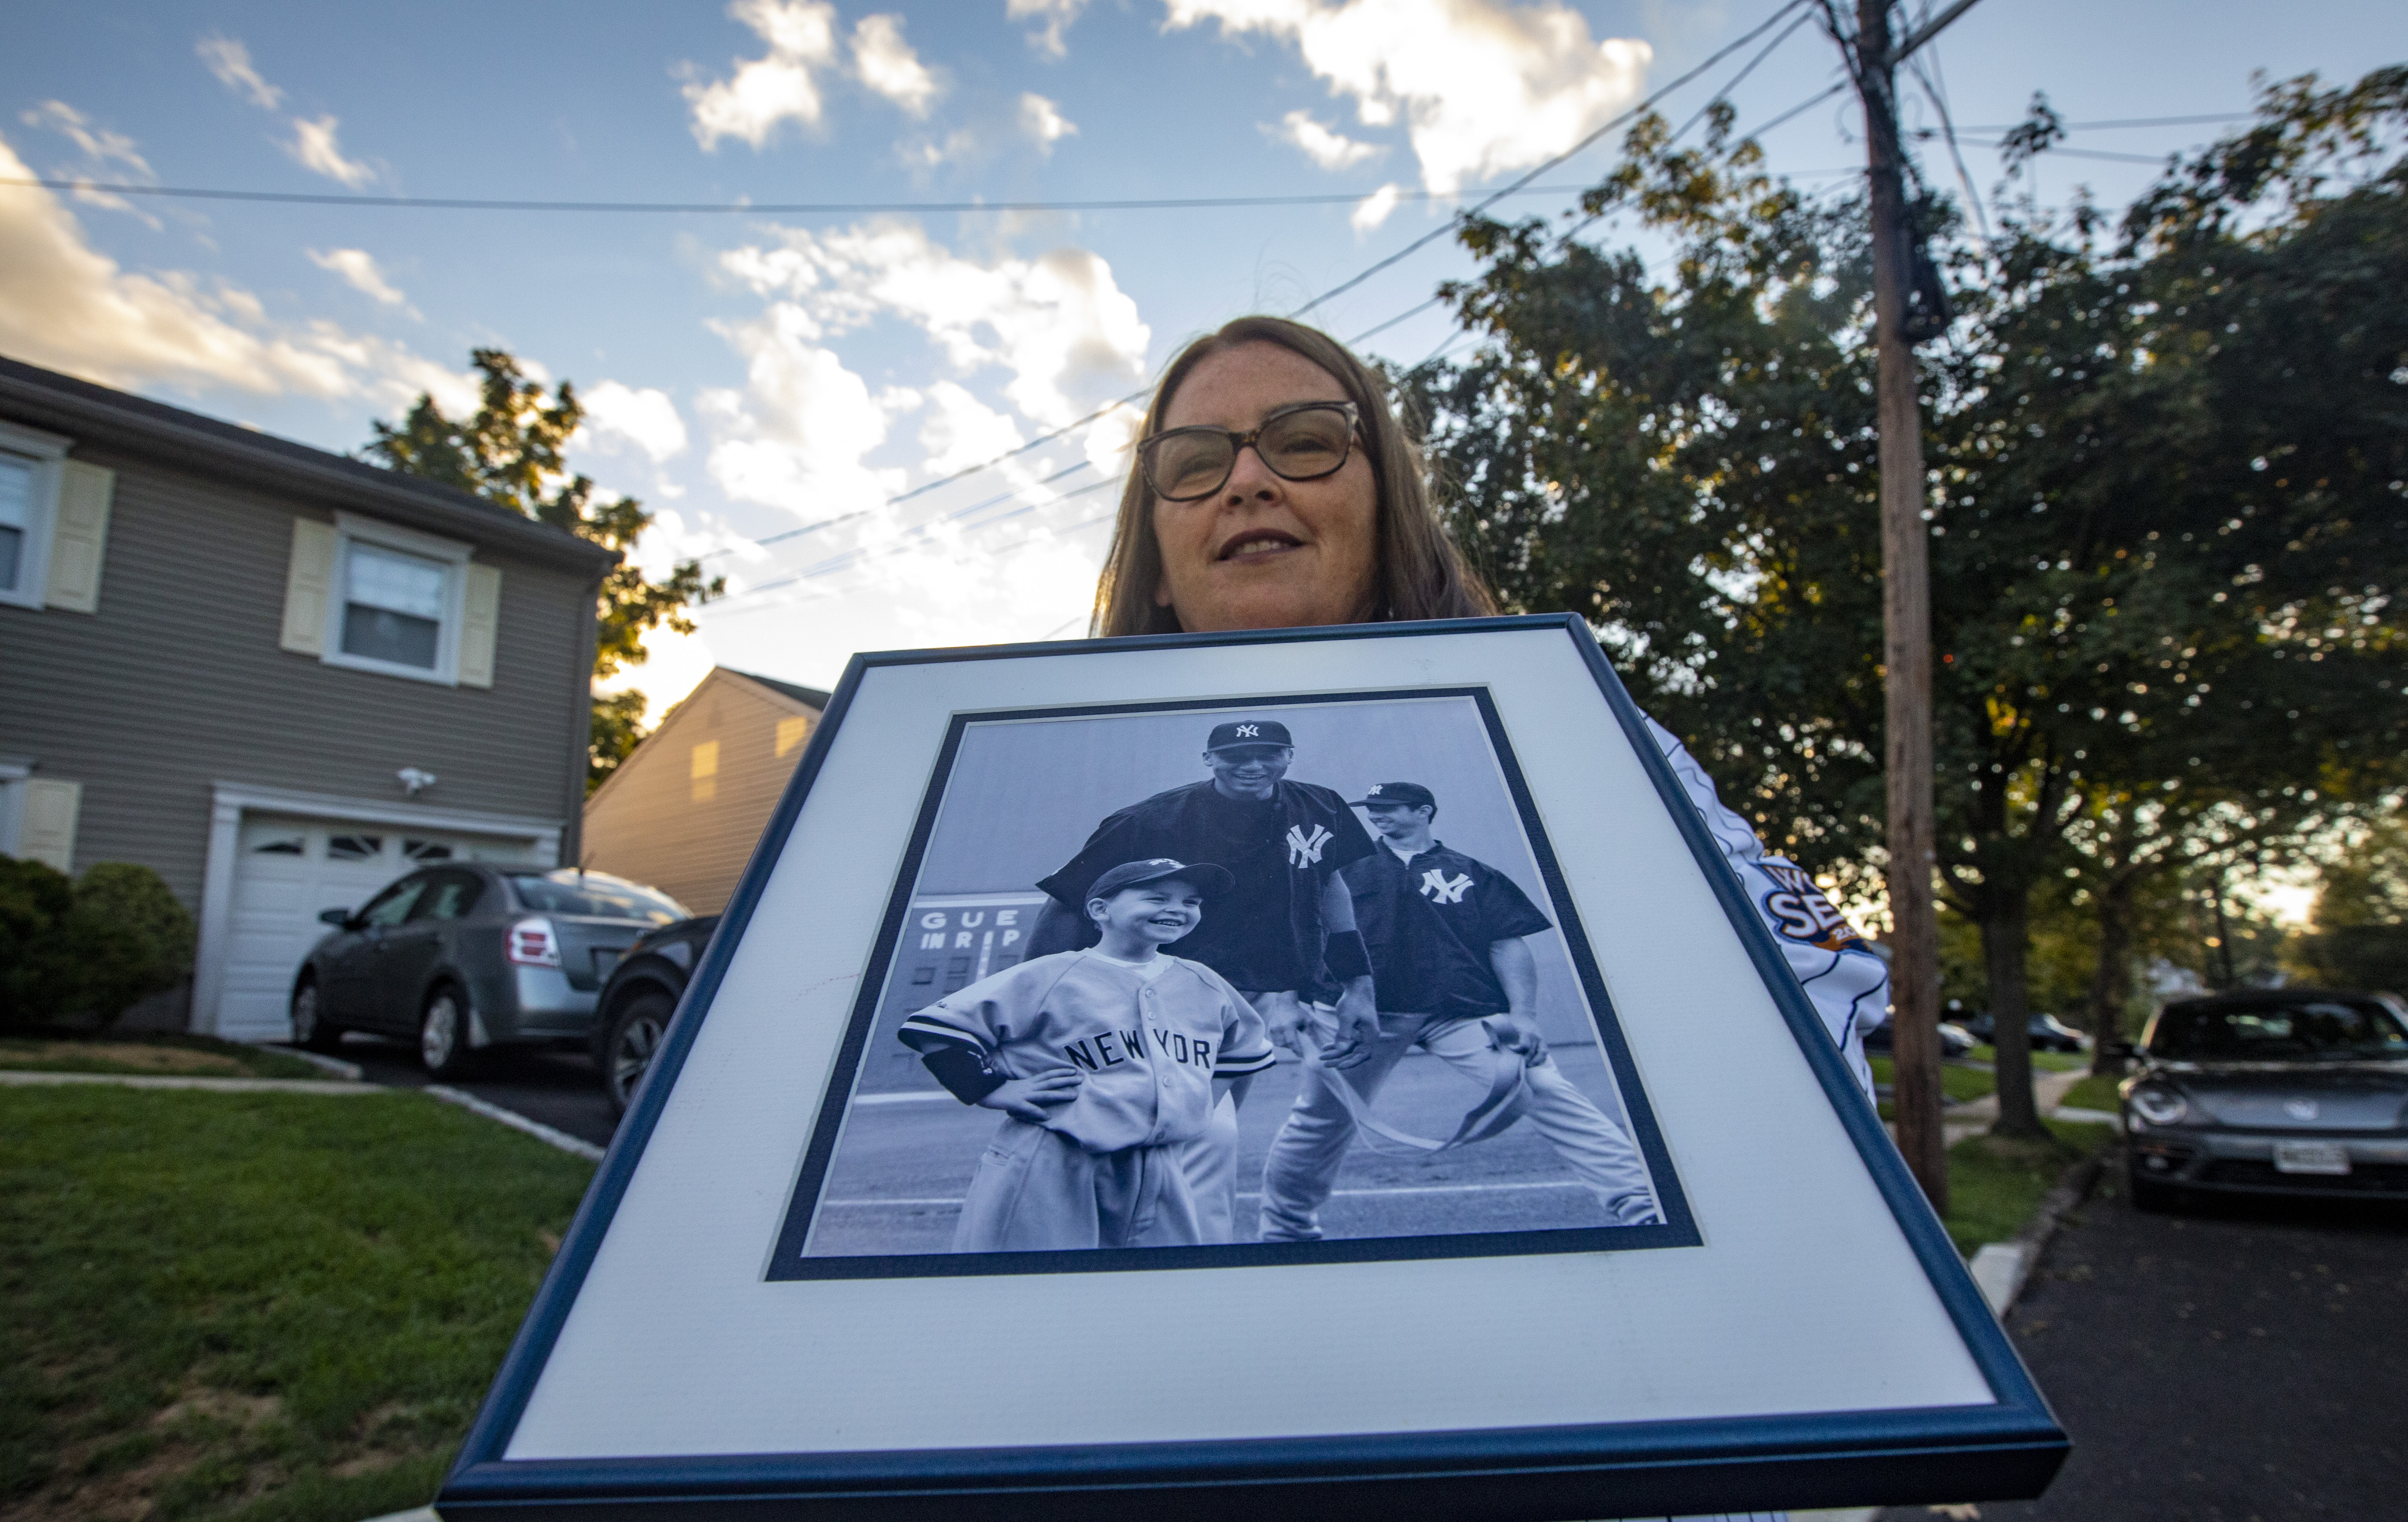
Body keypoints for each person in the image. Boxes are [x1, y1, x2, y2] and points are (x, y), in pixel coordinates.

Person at [1087, 313, 1886, 1522]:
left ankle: (1623, 1210)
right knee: (1283, 1128)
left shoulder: (1560, 734)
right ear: (1150, 547)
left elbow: (1804, 1017)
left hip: (1439, 1007)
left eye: (1303, 441)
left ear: (1388, 501)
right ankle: (1268, 1248)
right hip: (1334, 1024)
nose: (1244, 477)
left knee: (1547, 1094)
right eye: (1192, 461)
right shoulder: (1122, 785)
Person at [1025, 716, 1382, 1238]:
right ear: (1209, 760)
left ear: (1289, 755)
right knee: (1199, 1135)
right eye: (1237, 756)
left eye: (1269, 753)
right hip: (1164, 991)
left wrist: (1359, 985)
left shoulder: (1321, 805)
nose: (1253, 765)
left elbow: (1331, 887)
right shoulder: (1152, 820)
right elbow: (1065, 903)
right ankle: (1182, 1253)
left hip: (1250, 995)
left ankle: (1155, 1246)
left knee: (1199, 1131)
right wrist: (1032, 996)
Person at [1256, 782, 1660, 1241]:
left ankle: (1642, 1203)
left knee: (1542, 1085)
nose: (1378, 816)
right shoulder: (1343, 867)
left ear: (1424, 811)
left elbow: (1507, 944)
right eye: (1373, 809)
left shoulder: (1471, 873)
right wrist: (1285, 1001)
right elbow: (1295, 933)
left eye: (1389, 808)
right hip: (1361, 1012)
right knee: (1320, 1118)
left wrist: (1523, 1015)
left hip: (1459, 1010)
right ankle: (1286, 1233)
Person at [897, 858, 1275, 1252]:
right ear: (1100, 910)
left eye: (1191, 901)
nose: (1177, 909)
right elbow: (938, 1030)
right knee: (1030, 1283)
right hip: (1055, 1155)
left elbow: (1244, 1050)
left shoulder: (1203, 982)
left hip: (1162, 1164)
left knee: (1155, 1290)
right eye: (1157, 897)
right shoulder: (1051, 974)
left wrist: (1193, 1102)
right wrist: (991, 1089)